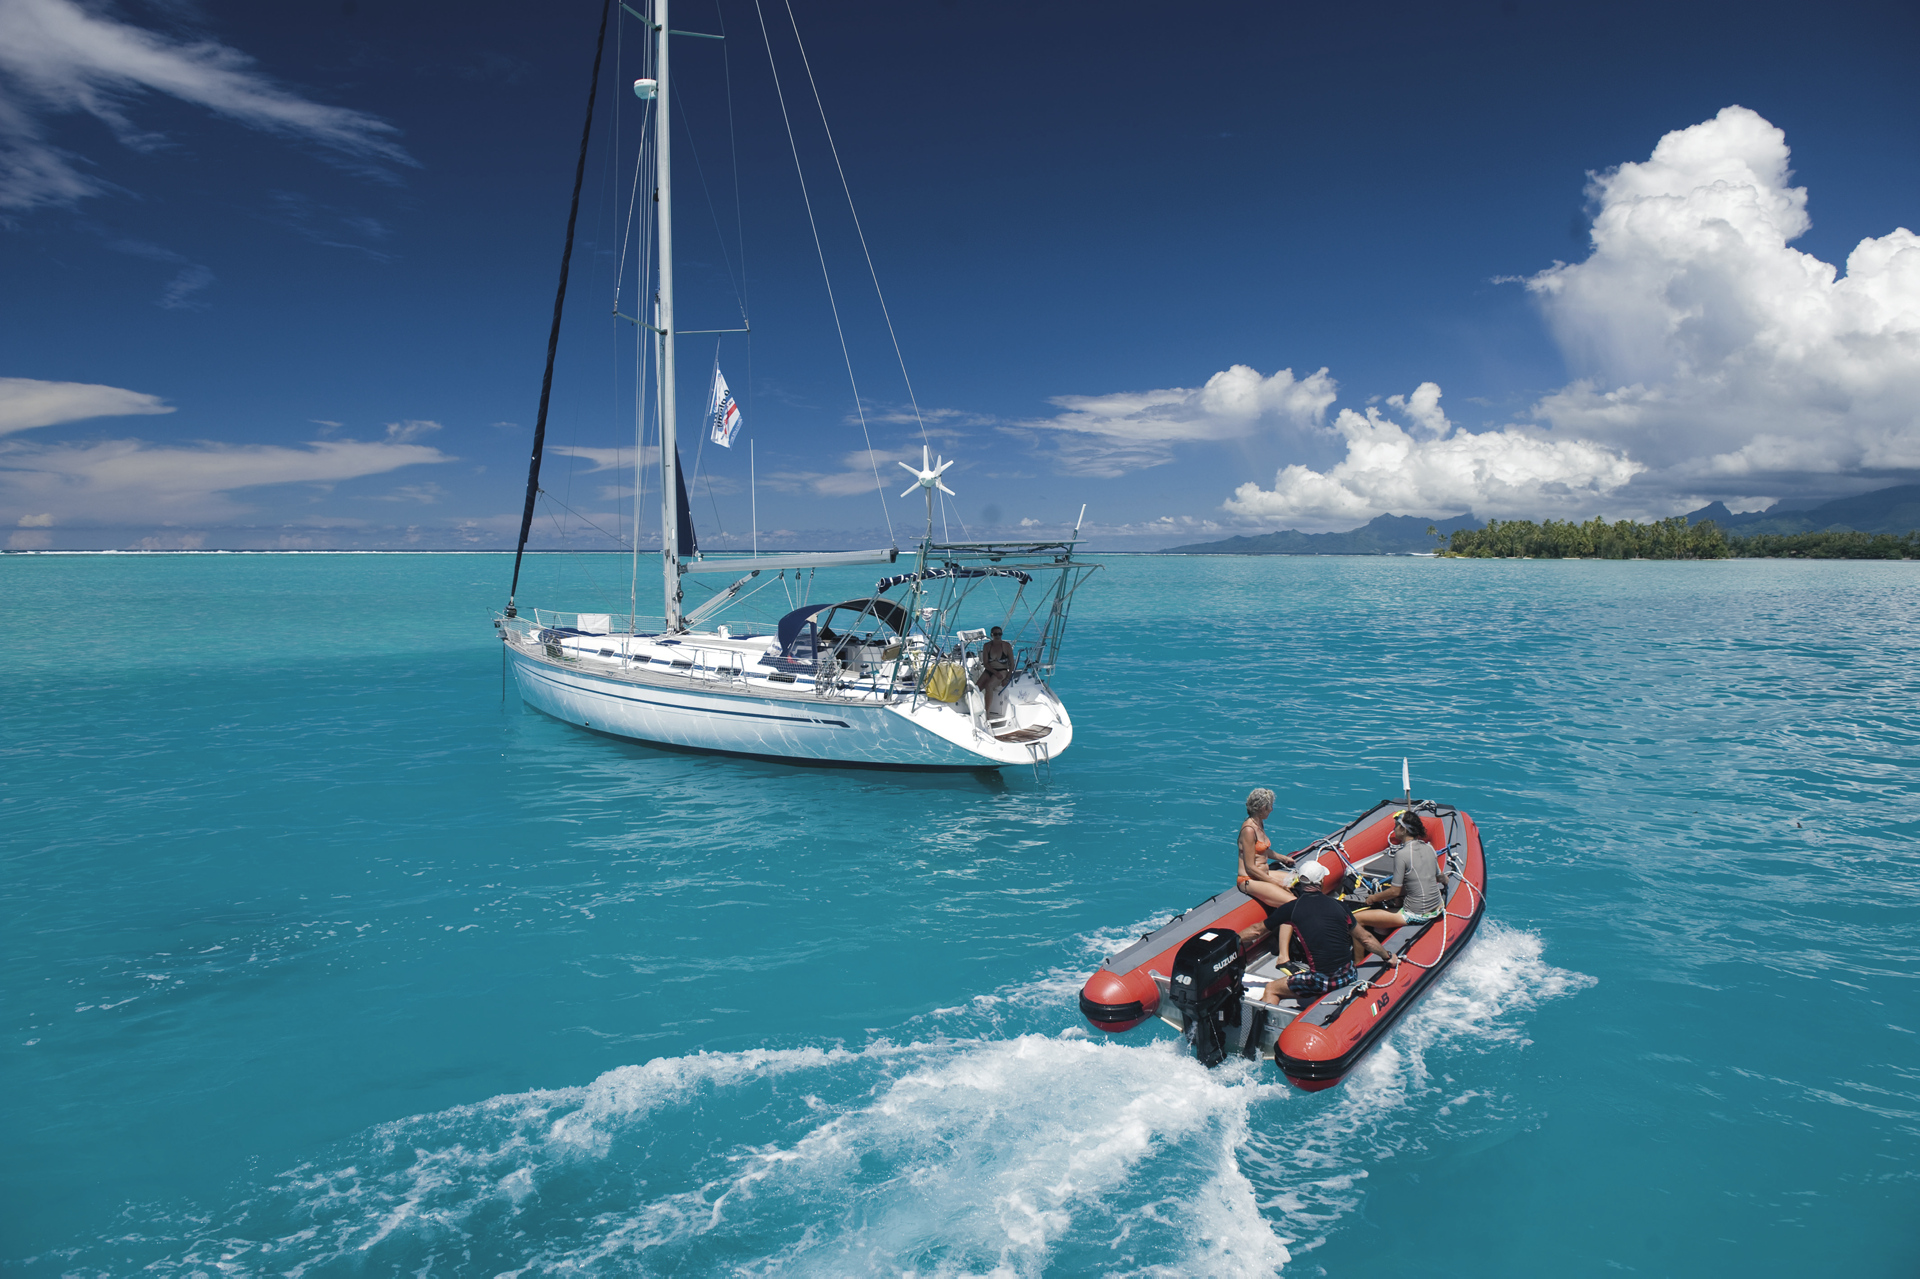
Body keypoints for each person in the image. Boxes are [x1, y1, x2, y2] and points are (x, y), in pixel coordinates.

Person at [1260, 860, 1399, 1003]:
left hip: (1322, 982)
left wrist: (1243, 939)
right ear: (1321, 881)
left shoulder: (1292, 908)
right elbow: (1366, 938)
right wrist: (1387, 956)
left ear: (1300, 881)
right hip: (1349, 975)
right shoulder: (1339, 906)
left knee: (1271, 988)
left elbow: (1256, 930)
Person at [1351, 809, 1447, 935]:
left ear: (1404, 830)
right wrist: (1447, 882)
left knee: (1356, 919)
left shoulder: (1402, 854)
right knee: (1381, 925)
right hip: (1437, 908)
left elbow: (1394, 891)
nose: (1394, 829)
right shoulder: (1429, 847)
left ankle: (1362, 948)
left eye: (1396, 826)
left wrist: (1372, 898)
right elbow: (1440, 878)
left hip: (1416, 915)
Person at [1235, 788, 1295, 914]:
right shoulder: (1249, 830)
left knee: (1298, 881)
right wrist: (1277, 883)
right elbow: (1250, 867)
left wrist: (1283, 858)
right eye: (1270, 806)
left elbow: (1261, 850)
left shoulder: (1259, 823)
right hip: (1249, 879)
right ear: (1263, 808)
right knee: (1292, 903)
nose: (1271, 809)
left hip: (1264, 873)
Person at [979, 626, 1016, 706]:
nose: (998, 636)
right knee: (976, 688)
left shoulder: (1006, 646)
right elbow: (985, 663)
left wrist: (1007, 678)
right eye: (995, 634)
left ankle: (987, 711)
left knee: (989, 686)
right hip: (990, 670)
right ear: (991, 635)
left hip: (1002, 671)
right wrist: (995, 672)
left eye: (1000, 634)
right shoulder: (987, 646)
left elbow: (1012, 664)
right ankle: (976, 707)